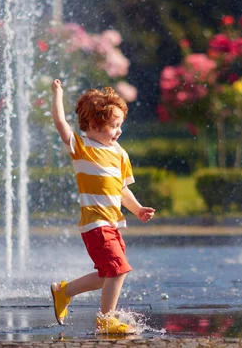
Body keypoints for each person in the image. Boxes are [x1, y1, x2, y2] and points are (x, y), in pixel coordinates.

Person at [49, 79, 155, 334]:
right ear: (93, 125)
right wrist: (58, 93)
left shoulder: (119, 153)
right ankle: (106, 319)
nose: (118, 131)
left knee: (108, 273)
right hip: (95, 224)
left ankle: (64, 291)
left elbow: (121, 189)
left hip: (113, 222)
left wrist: (138, 208)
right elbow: (61, 124)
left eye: (120, 125)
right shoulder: (82, 147)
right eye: (112, 126)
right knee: (118, 269)